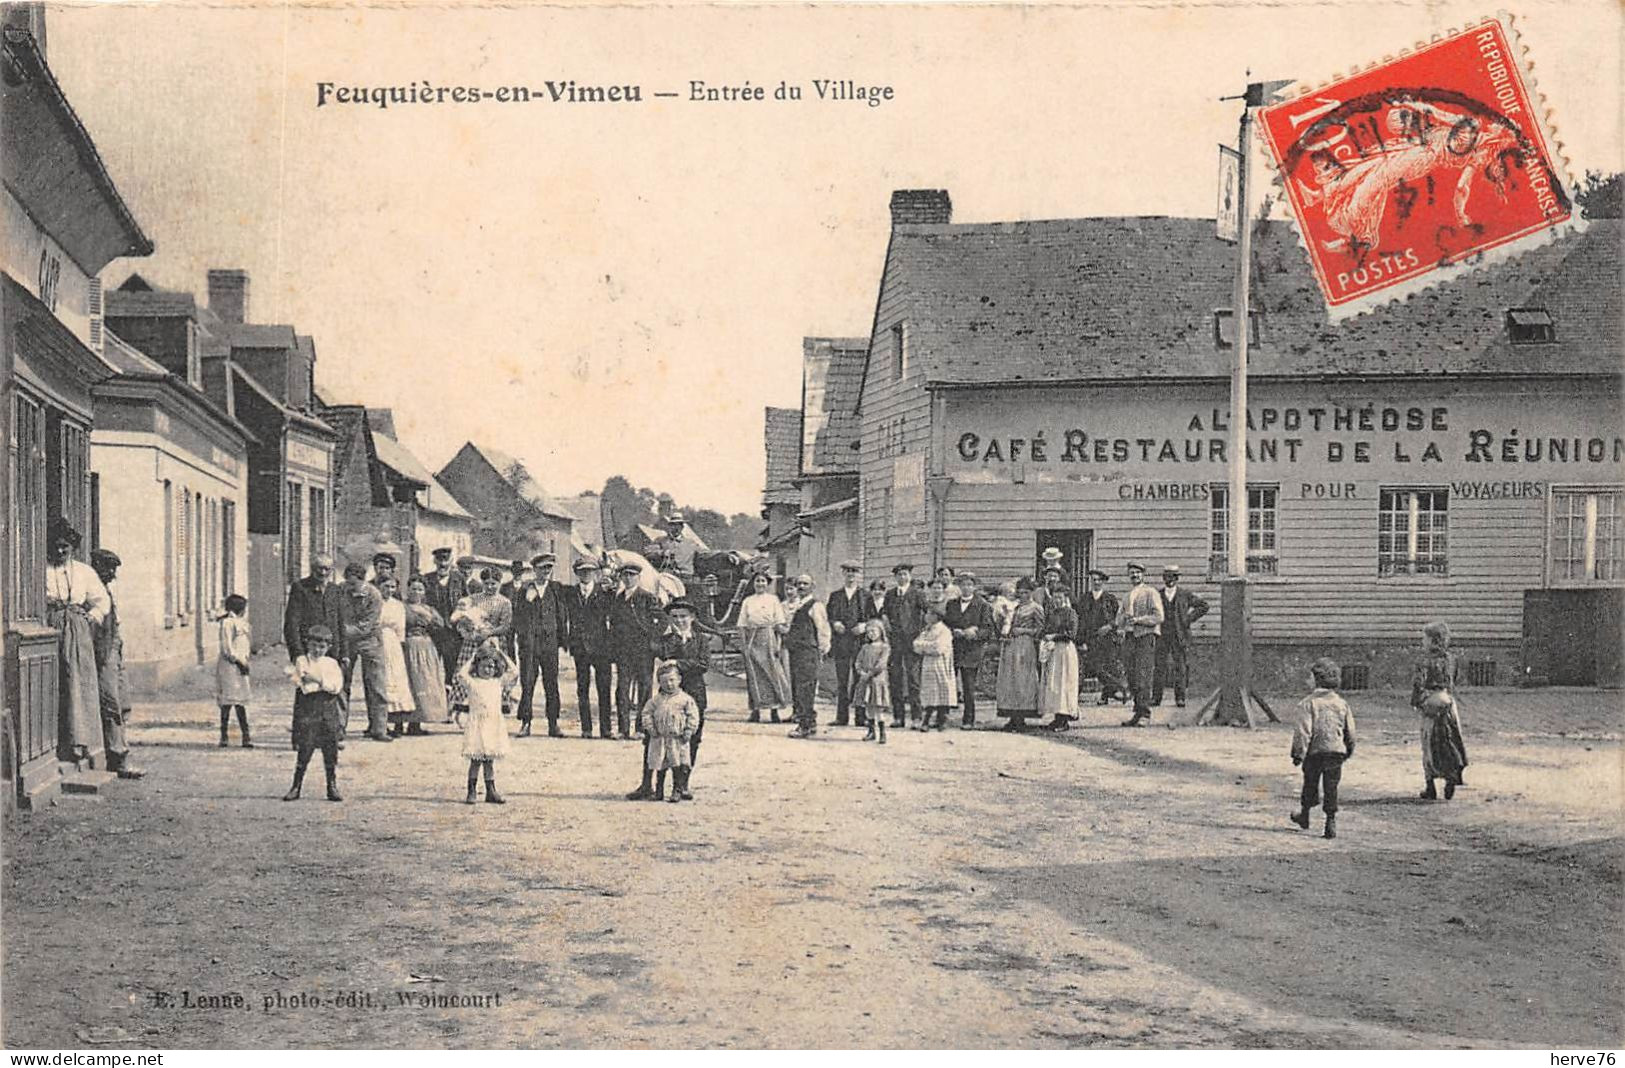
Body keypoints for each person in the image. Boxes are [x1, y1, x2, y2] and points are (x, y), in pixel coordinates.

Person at [45, 520, 107, 762]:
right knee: (56, 682)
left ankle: (79, 741)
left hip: (77, 629)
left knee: (77, 683)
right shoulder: (43, 570)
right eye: (56, 547)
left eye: (65, 547)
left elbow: (102, 601)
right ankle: (56, 743)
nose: (60, 552)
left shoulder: (83, 571)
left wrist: (91, 618)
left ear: (72, 547)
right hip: (51, 626)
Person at [89, 547, 145, 776]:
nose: (113, 573)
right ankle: (117, 757)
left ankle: (119, 753)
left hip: (115, 649)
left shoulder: (105, 591)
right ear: (98, 568)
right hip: (103, 654)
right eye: (109, 568)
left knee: (122, 703)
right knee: (111, 702)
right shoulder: (91, 591)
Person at [1290, 656, 1357, 839]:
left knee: (1310, 782)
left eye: (1310, 677)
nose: (1307, 680)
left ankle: (1305, 814)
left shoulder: (1308, 703)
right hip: (1336, 751)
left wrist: (1298, 753)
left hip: (1315, 751)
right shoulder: (1342, 704)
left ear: (1316, 679)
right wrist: (1349, 747)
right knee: (1331, 786)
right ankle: (1330, 821)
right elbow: (1349, 728)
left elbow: (1303, 731)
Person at [284, 625, 344, 802]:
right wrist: (312, 681)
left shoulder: (331, 664)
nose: (317, 650)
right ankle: (296, 786)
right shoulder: (302, 661)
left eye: (322, 647)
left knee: (330, 748)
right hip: (309, 707)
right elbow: (303, 685)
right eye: (314, 646)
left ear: (328, 647)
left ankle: (331, 786)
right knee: (306, 746)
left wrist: (318, 679)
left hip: (328, 707)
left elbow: (335, 687)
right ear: (307, 644)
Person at [514, 553, 570, 738]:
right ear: (535, 569)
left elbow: (563, 614)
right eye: (542, 568)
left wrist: (563, 640)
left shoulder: (557, 589)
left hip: (550, 644)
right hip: (530, 645)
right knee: (528, 683)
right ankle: (526, 722)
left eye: (549, 568)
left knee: (551, 684)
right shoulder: (524, 590)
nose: (546, 572)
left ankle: (553, 724)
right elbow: (517, 618)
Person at [1411, 621, 1468, 800]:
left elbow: (1419, 684)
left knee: (1428, 744)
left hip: (1432, 702)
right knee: (1450, 740)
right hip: (1448, 703)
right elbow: (1453, 680)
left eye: (1425, 638)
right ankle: (1451, 779)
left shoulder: (1424, 661)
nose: (1423, 641)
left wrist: (1417, 702)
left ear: (1433, 640)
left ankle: (1430, 787)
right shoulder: (1451, 659)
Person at [652, 600, 710, 772]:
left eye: (683, 616)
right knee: (661, 737)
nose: (679, 621)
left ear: (692, 618)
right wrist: (677, 639)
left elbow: (703, 664)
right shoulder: (667, 640)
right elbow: (664, 655)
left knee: (691, 736)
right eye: (674, 617)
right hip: (668, 696)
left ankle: (683, 783)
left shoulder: (701, 640)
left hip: (694, 692)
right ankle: (651, 783)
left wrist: (677, 662)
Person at [610, 561, 663, 740]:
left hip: (643, 651)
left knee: (645, 689)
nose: (628, 578)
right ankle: (623, 729)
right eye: (625, 575)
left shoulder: (647, 597)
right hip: (623, 651)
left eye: (632, 575)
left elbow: (662, 620)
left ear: (638, 578)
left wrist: (652, 638)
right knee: (622, 689)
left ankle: (641, 728)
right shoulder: (618, 598)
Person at [341, 561, 393, 742]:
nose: (349, 586)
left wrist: (341, 631)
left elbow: (366, 625)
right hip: (347, 642)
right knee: (341, 683)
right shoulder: (341, 591)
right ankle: (338, 728)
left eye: (353, 583)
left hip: (370, 640)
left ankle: (378, 728)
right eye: (347, 582)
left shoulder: (374, 595)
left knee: (376, 684)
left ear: (363, 581)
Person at [459, 641, 517, 804]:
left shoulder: (497, 682)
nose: (487, 670)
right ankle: (471, 790)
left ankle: (491, 791)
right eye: (484, 666)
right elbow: (461, 674)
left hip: (492, 726)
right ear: (477, 667)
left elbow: (514, 671)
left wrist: (500, 653)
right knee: (476, 760)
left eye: (491, 666)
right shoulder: (472, 683)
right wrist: (473, 657)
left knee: (489, 761)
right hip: (477, 726)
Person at [565, 559, 616, 739]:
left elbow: (615, 613)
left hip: (601, 648)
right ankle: (586, 728)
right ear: (577, 573)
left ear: (596, 573)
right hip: (580, 648)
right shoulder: (570, 593)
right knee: (582, 688)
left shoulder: (606, 593)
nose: (586, 574)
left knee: (604, 688)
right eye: (583, 571)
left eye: (590, 571)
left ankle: (606, 729)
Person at [636, 662, 700, 803]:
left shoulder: (685, 699)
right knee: (660, 765)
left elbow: (693, 716)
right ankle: (659, 791)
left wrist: (689, 730)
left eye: (672, 680)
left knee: (677, 764)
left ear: (679, 680)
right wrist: (651, 728)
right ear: (659, 682)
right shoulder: (656, 700)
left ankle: (677, 789)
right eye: (664, 681)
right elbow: (646, 713)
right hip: (660, 739)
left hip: (677, 739)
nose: (669, 684)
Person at [737, 570, 793, 723]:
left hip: (768, 637)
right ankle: (756, 710)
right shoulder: (748, 601)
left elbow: (778, 623)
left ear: (767, 584)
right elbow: (742, 624)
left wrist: (778, 644)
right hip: (752, 638)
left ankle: (775, 711)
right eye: (757, 581)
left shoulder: (773, 600)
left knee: (772, 673)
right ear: (753, 584)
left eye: (763, 581)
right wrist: (744, 646)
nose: (760, 584)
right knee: (754, 675)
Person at [826, 561, 875, 727]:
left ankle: (860, 717)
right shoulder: (835, 596)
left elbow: (872, 618)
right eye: (848, 571)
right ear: (843, 574)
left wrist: (864, 626)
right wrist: (835, 623)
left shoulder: (866, 596)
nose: (851, 575)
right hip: (841, 643)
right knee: (842, 681)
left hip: (859, 644)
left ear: (859, 575)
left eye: (854, 572)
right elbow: (830, 615)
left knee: (860, 679)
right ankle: (841, 717)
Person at [1152, 564, 1209, 708]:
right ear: (1163, 578)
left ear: (1177, 579)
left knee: (1180, 667)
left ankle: (1180, 698)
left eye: (1173, 577)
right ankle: (1156, 698)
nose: (1170, 580)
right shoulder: (1157, 595)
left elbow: (1203, 606)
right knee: (1159, 667)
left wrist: (1187, 619)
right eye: (1167, 577)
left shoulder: (1185, 594)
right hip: (1162, 635)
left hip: (1180, 635)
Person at [1116, 562, 1165, 727]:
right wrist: (1123, 622)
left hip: (1145, 637)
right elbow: (1119, 618)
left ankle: (1145, 713)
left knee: (1143, 674)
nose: (1134, 575)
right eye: (1131, 573)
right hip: (1130, 638)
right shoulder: (1127, 596)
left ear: (1143, 574)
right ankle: (1137, 712)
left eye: (1137, 572)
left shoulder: (1150, 593)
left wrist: (1138, 620)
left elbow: (1159, 617)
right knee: (1131, 675)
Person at [945, 572, 995, 729]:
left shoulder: (983, 605)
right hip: (954, 648)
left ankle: (968, 719)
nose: (966, 588)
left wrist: (973, 633)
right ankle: (943, 717)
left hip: (972, 650)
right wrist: (954, 631)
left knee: (968, 686)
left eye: (969, 584)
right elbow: (947, 624)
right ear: (959, 587)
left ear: (974, 587)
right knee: (948, 683)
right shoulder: (952, 604)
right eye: (963, 584)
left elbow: (987, 630)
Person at [784, 574, 832, 739]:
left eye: (805, 584)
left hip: (808, 651)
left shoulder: (815, 606)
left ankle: (805, 725)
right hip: (796, 651)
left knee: (806, 687)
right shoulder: (797, 605)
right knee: (798, 687)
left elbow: (823, 629)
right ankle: (807, 722)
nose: (801, 586)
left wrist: (823, 649)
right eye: (799, 584)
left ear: (812, 586)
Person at [882, 563, 928, 728]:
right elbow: (884, 613)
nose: (902, 577)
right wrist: (887, 625)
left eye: (905, 574)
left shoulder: (917, 593)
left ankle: (916, 717)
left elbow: (927, 614)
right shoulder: (890, 594)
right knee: (895, 678)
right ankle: (898, 717)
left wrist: (922, 634)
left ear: (910, 576)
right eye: (899, 575)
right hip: (895, 642)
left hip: (912, 641)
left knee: (913, 679)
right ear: (895, 577)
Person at [995, 578, 1044, 729]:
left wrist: (1024, 631)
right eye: (1020, 592)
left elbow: (1041, 629)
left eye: (1026, 592)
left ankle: (1022, 715)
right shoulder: (1013, 607)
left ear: (1031, 593)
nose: (1023, 595)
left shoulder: (1036, 608)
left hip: (1025, 645)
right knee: (1010, 679)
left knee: (1023, 679)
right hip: (1010, 645)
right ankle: (1011, 714)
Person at [401, 577, 449, 727]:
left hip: (426, 647)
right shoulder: (401, 606)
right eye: (413, 588)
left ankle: (416, 723)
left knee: (423, 682)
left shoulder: (429, 609)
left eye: (420, 589)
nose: (416, 592)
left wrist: (429, 617)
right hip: (407, 646)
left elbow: (440, 625)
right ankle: (399, 722)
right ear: (407, 589)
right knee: (407, 683)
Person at [376, 575, 419, 736]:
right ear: (379, 586)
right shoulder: (375, 602)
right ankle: (381, 724)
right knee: (382, 680)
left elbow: (400, 628)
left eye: (392, 587)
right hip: (378, 641)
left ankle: (398, 722)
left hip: (393, 644)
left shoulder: (398, 605)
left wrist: (401, 646)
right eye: (386, 586)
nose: (389, 590)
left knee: (397, 680)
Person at [421, 547, 466, 687]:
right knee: (431, 666)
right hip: (433, 631)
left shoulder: (459, 579)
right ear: (435, 561)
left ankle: (449, 699)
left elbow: (466, 602)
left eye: (446, 560)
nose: (443, 564)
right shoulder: (427, 579)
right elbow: (422, 604)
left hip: (453, 632)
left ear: (451, 561)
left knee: (452, 667)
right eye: (440, 560)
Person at [1080, 569, 1125, 704]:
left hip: (1107, 638)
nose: (1097, 582)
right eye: (1094, 580)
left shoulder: (1110, 599)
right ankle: (1120, 688)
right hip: (1091, 638)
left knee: (1109, 666)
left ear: (1103, 582)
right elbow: (1081, 620)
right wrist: (1081, 640)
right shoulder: (1085, 598)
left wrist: (1110, 626)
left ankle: (1105, 696)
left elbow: (1118, 617)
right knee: (1095, 667)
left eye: (1099, 580)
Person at [216, 592, 253, 749]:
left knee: (241, 702)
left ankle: (246, 736)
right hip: (230, 667)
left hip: (241, 666)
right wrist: (238, 661)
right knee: (228, 702)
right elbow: (227, 648)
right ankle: (224, 736)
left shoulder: (242, 623)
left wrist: (245, 661)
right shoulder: (227, 623)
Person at [1040, 588, 1081, 731]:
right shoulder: (1052, 613)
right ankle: (1057, 718)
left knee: (1065, 683)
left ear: (1065, 598)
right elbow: (1045, 629)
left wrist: (1054, 636)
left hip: (1065, 650)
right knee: (1054, 683)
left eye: (1060, 598)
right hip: (1054, 651)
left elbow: (1071, 634)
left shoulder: (1071, 613)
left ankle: (1064, 719)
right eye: (1055, 598)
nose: (1057, 601)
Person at [912, 605, 957, 731]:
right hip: (928, 664)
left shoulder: (944, 631)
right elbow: (916, 645)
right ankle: (926, 719)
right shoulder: (926, 630)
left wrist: (924, 647)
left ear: (936, 616)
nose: (926, 616)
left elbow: (939, 648)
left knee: (942, 690)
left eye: (929, 614)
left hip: (941, 664)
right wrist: (926, 647)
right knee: (929, 692)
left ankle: (942, 720)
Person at [853, 620, 891, 743]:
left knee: (878, 707)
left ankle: (882, 733)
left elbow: (881, 664)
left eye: (873, 631)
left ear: (880, 631)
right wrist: (861, 672)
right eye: (868, 632)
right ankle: (871, 731)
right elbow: (858, 662)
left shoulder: (884, 648)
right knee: (869, 707)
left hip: (877, 680)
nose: (871, 634)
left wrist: (870, 674)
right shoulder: (865, 647)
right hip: (865, 681)